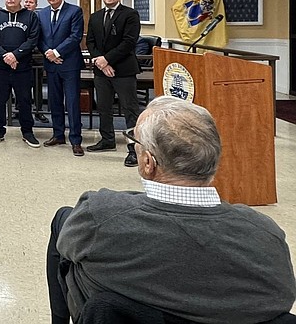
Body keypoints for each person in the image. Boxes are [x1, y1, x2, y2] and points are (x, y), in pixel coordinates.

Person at [46, 96, 296, 324]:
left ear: (147, 162)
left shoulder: (101, 215)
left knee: (64, 222)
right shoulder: (267, 234)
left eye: (134, 140)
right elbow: (280, 299)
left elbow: (69, 247)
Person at [85, 0, 142, 167]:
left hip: (123, 70)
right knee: (103, 107)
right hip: (102, 72)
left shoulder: (130, 14)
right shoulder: (95, 17)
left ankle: (134, 149)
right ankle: (107, 140)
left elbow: (128, 42)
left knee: (130, 110)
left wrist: (106, 60)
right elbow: (91, 43)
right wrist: (100, 62)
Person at [0, 0, 40, 147]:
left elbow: (32, 39)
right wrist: (6, 56)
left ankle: (27, 132)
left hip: (22, 68)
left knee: (24, 101)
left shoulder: (30, 16)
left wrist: (15, 55)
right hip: (1, 67)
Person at [38, 0, 85, 156]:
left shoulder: (74, 11)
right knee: (54, 101)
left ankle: (75, 140)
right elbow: (39, 37)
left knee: (72, 103)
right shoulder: (41, 13)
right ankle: (58, 135)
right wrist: (48, 53)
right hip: (51, 65)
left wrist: (57, 52)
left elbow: (75, 36)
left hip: (69, 64)